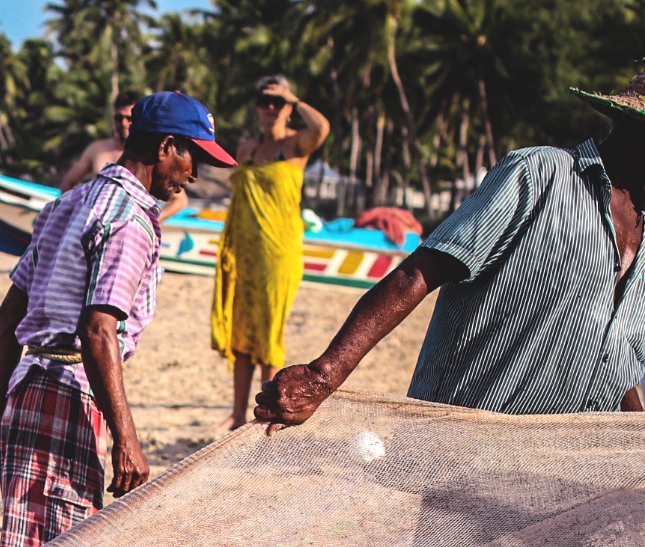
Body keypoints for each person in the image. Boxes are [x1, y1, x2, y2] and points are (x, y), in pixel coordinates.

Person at [259, 72, 645, 426]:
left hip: (552, 470)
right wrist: (322, 375)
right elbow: (419, 272)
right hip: (458, 439)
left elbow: (618, 356)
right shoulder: (541, 175)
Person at [0, 92, 233, 547]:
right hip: (67, 398)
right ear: (165, 147)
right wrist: (127, 440)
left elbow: (10, 313)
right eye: (191, 156)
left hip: (27, 391)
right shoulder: (131, 220)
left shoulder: (69, 203)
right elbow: (97, 331)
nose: (193, 173)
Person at [212, 75, 330, 429]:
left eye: (276, 102)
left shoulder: (297, 145)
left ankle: (266, 411)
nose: (269, 107)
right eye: (263, 100)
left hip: (279, 252)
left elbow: (322, 127)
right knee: (241, 335)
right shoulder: (247, 147)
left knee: (268, 334)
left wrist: (291, 95)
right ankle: (236, 414)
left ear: (289, 107)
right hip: (246, 251)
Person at [63, 91, 190, 221]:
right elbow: (69, 182)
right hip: (96, 224)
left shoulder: (151, 155)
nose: (124, 123)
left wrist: (152, 221)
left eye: (129, 118)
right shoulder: (97, 149)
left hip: (133, 228)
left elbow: (181, 201)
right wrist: (70, 215)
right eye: (119, 118)